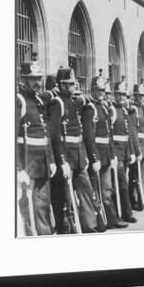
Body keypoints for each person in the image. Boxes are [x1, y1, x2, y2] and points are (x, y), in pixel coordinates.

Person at [48, 67, 98, 234]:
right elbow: (55, 135)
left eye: (74, 84)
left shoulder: (73, 102)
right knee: (65, 200)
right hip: (67, 158)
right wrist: (61, 161)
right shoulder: (57, 104)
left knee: (86, 192)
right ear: (61, 85)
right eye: (69, 84)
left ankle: (89, 227)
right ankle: (68, 231)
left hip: (79, 156)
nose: (73, 87)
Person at [81, 70, 128, 229]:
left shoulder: (105, 107)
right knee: (96, 192)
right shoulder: (90, 109)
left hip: (107, 154)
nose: (101, 93)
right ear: (92, 90)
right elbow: (88, 136)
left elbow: (110, 133)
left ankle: (112, 219)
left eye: (103, 90)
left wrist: (113, 155)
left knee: (107, 190)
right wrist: (94, 158)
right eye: (98, 90)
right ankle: (100, 222)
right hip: (97, 156)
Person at [16, 56, 56, 236]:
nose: (37, 82)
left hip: (42, 164)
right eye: (33, 79)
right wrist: (18, 169)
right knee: (26, 211)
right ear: (23, 79)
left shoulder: (39, 101)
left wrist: (52, 160)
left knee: (42, 206)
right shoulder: (19, 100)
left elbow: (45, 133)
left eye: (38, 78)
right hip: (27, 165)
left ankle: (44, 240)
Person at [108, 77, 138, 223]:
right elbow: (109, 135)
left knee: (123, 182)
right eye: (119, 94)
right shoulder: (111, 110)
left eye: (124, 94)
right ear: (114, 94)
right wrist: (112, 155)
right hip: (116, 153)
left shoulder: (124, 110)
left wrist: (131, 152)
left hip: (125, 152)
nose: (122, 97)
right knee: (120, 183)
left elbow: (129, 134)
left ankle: (126, 211)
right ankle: (124, 213)